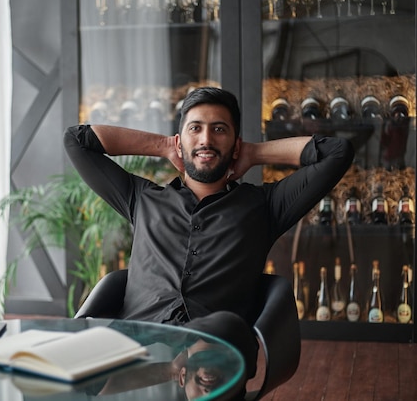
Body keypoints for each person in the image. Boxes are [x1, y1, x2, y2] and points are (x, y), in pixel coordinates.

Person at [63, 87, 354, 388]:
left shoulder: (265, 206)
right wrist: (163, 145)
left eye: (219, 130)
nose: (206, 139)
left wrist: (253, 153)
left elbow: (338, 152)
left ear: (235, 144)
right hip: (137, 358)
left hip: (214, 364)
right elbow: (76, 140)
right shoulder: (142, 198)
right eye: (195, 129)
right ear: (180, 141)